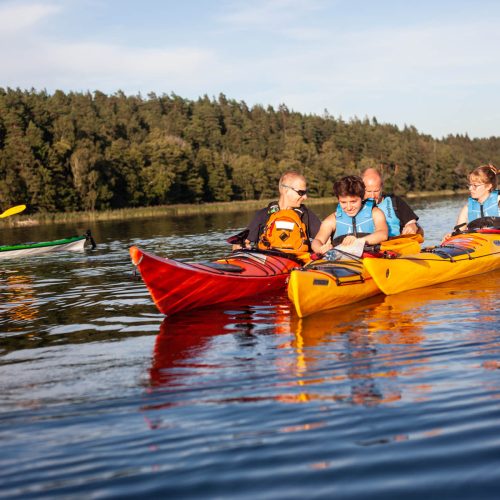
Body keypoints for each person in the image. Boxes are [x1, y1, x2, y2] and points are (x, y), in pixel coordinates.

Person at [230, 171, 321, 254]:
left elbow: (323, 239)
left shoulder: (306, 215)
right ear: (286, 190)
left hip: (297, 264)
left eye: (305, 192)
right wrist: (240, 247)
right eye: (301, 192)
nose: (305, 197)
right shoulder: (263, 215)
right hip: (269, 264)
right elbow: (240, 244)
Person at [311, 175, 388, 254]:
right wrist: (320, 248)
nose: (348, 207)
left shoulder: (375, 213)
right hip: (343, 261)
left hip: (371, 258)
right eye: (343, 202)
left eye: (353, 202)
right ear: (338, 200)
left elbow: (383, 234)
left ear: (362, 198)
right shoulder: (332, 220)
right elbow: (317, 241)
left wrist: (359, 241)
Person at [362, 168, 423, 236]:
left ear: (381, 187)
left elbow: (416, 226)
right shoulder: (355, 205)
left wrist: (413, 226)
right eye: (368, 191)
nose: (372, 196)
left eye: (376, 191)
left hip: (394, 244)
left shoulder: (396, 202)